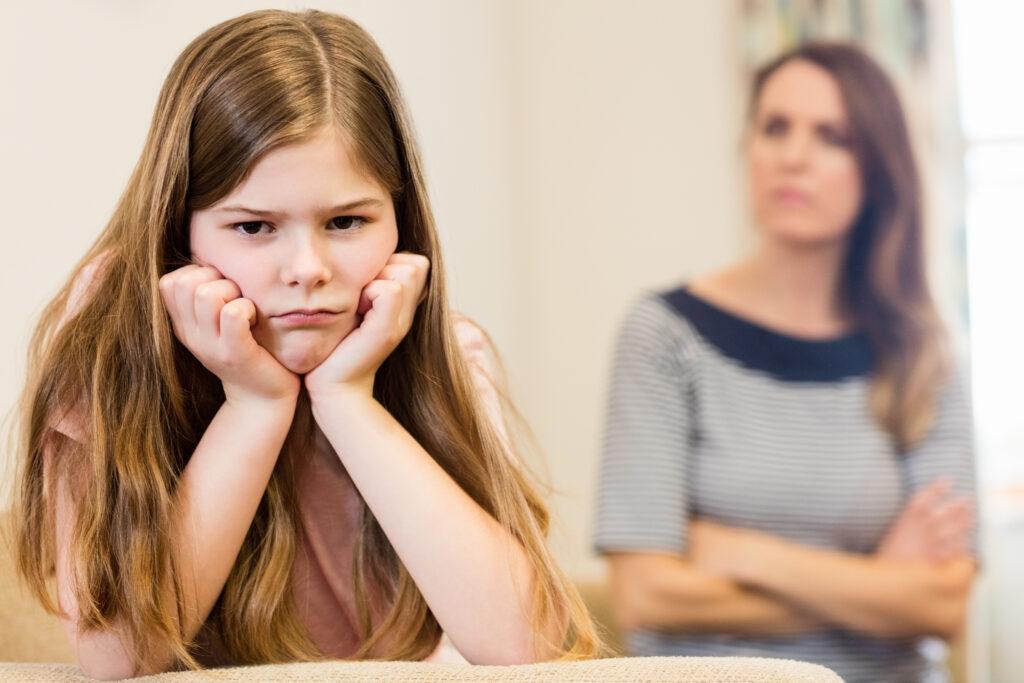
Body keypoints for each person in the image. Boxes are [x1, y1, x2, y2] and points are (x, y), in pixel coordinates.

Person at [11, 9, 598, 679]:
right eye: (255, 227)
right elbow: (117, 655)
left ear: (401, 226)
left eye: (346, 220)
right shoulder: (109, 348)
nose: (306, 268)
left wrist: (349, 401)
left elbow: (527, 646)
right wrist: (254, 406)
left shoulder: (445, 352)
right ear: (180, 233)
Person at [594, 42, 976, 682]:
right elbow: (645, 594)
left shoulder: (922, 353)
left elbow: (943, 602)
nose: (794, 157)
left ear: (879, 169)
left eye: (832, 137)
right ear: (748, 150)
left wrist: (740, 553)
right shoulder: (663, 335)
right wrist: (878, 586)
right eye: (776, 128)